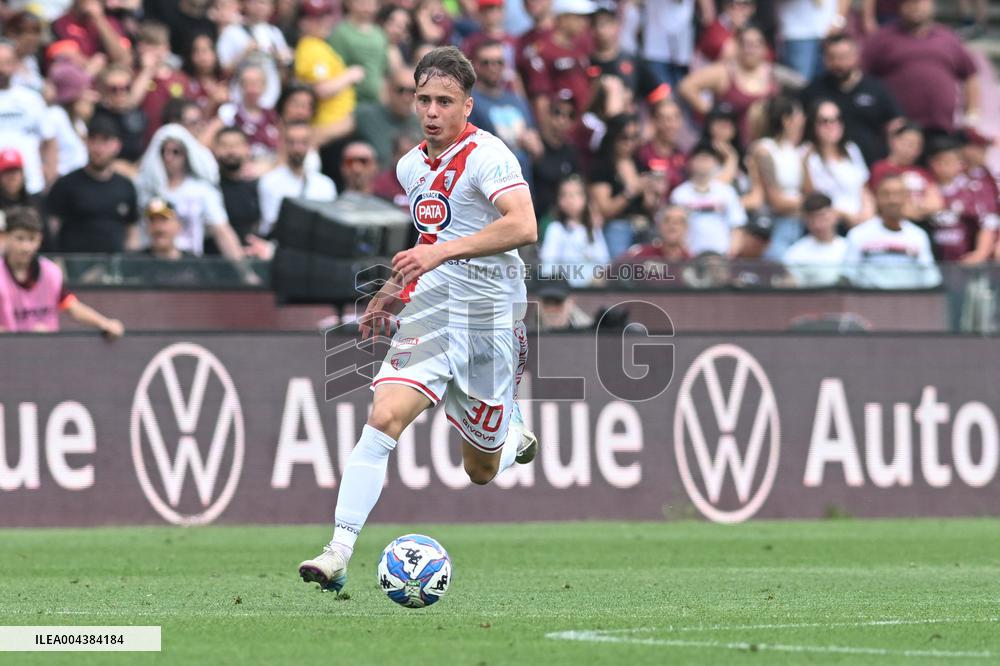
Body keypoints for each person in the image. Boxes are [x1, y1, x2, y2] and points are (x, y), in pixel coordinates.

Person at [298, 46, 539, 593]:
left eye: (444, 101)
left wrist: (438, 255)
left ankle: (511, 427)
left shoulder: (490, 156)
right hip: (434, 310)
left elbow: (523, 225)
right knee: (383, 417)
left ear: (467, 105)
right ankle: (337, 551)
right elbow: (433, 237)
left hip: (490, 316)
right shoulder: (410, 166)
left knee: (478, 471)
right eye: (423, 98)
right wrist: (393, 288)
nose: (431, 111)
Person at [0, 206, 124, 336]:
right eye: (19, 238)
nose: (25, 247)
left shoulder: (50, 272)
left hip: (46, 350)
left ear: (40, 240)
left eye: (32, 239)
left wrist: (104, 323)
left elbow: (71, 305)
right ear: (5, 236)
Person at [862, 0, 979, 135]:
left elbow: (970, 75)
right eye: (909, 3)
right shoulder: (882, 39)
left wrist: (972, 114)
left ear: (931, 4)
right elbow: (862, 77)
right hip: (898, 133)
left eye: (920, 2)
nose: (915, 7)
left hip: (941, 129)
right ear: (900, 6)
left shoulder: (947, 37)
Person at [136, 124, 245, 260]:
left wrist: (245, 272)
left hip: (190, 266)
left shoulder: (201, 191)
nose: (168, 157)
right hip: (151, 264)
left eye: (176, 152)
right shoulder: (146, 189)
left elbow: (222, 231)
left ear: (186, 154)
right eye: (163, 151)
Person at [800, 33, 904, 166]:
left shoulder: (876, 88)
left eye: (843, 57)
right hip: (825, 168)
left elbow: (897, 123)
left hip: (871, 165)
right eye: (832, 57)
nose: (838, 63)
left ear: (856, 56)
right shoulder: (813, 91)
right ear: (824, 59)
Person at [46, 116, 139, 253]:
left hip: (115, 269)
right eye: (93, 140)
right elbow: (51, 230)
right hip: (74, 269)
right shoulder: (66, 184)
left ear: (117, 145)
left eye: (105, 141)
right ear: (86, 142)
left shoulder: (126, 186)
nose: (98, 148)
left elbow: (132, 234)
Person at [678, 24, 778, 145]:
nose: (750, 50)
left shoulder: (772, 73)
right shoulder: (724, 71)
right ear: (737, 46)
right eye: (745, 44)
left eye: (756, 45)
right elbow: (686, 86)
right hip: (730, 144)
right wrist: (712, 114)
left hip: (763, 145)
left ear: (765, 48)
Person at [842, 174, 940, 289]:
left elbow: (930, 279)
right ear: (877, 198)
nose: (892, 200)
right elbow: (848, 277)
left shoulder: (918, 236)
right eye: (886, 194)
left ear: (906, 198)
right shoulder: (858, 234)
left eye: (898, 194)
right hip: (869, 303)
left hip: (908, 302)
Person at [469, 40, 542, 185]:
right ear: (475, 66)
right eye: (486, 62)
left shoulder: (517, 100)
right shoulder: (469, 103)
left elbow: (538, 148)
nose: (493, 67)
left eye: (499, 62)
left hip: (523, 187)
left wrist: (535, 146)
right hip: (489, 190)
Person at [295, 0, 364, 145]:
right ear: (303, 22)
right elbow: (321, 90)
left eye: (326, 15)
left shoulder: (320, 45)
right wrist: (350, 75)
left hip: (337, 125)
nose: (324, 21)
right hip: (329, 128)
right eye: (317, 18)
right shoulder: (310, 47)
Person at [748, 95, 805, 259]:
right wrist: (807, 203)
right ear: (786, 120)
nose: (803, 120)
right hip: (775, 227)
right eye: (799, 115)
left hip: (798, 224)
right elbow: (776, 201)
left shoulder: (793, 150)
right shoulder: (764, 150)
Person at [801, 100, 874, 228]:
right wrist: (845, 215)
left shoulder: (851, 149)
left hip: (862, 221)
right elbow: (810, 196)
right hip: (829, 224)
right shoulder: (806, 154)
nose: (832, 125)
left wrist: (868, 212)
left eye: (836, 119)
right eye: (824, 121)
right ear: (813, 124)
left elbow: (864, 188)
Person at [258, 121, 338, 236]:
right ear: (283, 144)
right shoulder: (269, 181)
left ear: (310, 144)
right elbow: (272, 223)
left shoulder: (326, 184)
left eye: (303, 142)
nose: (297, 148)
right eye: (291, 142)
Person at [925, 136, 996, 264]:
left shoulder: (973, 189)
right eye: (938, 161)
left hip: (963, 263)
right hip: (933, 262)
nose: (942, 166)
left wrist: (980, 253)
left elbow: (988, 223)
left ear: (960, 164)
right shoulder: (925, 188)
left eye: (948, 161)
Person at [670, 142, 747, 256]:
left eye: (707, 159)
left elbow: (737, 225)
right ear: (690, 162)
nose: (703, 163)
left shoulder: (726, 192)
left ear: (715, 163)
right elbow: (674, 228)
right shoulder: (679, 194)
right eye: (699, 159)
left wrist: (731, 254)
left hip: (721, 257)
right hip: (689, 257)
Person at [0, 40, 57, 196]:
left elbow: (50, 140)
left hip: (31, 185)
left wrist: (50, 177)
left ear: (15, 64)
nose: (2, 69)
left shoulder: (31, 99)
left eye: (7, 63)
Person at [539, 174, 609, 286]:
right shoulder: (555, 228)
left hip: (591, 290)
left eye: (575, 195)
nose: (569, 200)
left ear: (585, 199)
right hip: (563, 289)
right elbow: (548, 264)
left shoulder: (593, 228)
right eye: (564, 195)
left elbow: (603, 261)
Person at [869, 122, 943, 223]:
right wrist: (906, 211)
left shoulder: (923, 172)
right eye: (907, 142)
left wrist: (914, 210)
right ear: (893, 141)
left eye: (916, 144)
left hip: (923, 224)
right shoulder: (880, 168)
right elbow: (879, 200)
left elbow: (936, 203)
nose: (911, 148)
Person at [354, 68, 421, 169]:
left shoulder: (423, 123)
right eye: (400, 90)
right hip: (376, 182)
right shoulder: (367, 115)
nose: (406, 97)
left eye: (412, 91)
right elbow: (326, 133)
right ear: (389, 90)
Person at [531, 89, 579, 219]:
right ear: (547, 114)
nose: (563, 120)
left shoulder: (571, 151)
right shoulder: (533, 146)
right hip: (537, 218)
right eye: (557, 113)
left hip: (565, 219)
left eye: (570, 115)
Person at [329, 0, 389, 105]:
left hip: (376, 103)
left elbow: (382, 72)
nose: (367, 7)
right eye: (361, 2)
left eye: (371, 3)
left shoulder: (380, 34)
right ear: (349, 3)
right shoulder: (340, 32)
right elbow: (334, 68)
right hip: (349, 102)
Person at [781, 192, 847, 287]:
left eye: (822, 217)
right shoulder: (795, 254)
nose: (818, 225)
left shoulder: (849, 247)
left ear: (834, 215)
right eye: (812, 219)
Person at [212, 126, 262, 250]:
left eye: (236, 145)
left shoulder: (260, 187)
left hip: (254, 255)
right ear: (215, 149)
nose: (231, 151)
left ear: (247, 149)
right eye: (224, 145)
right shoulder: (210, 188)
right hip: (213, 260)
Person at [775, 0, 848, 80]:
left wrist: (838, 20)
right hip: (797, 32)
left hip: (829, 29)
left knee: (830, 81)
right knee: (800, 82)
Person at [614, 204, 692, 264]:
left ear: (686, 228)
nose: (672, 226)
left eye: (678, 222)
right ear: (659, 225)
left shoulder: (691, 263)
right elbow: (611, 272)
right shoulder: (641, 255)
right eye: (667, 220)